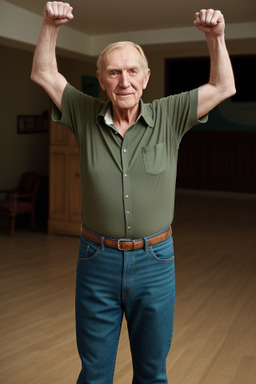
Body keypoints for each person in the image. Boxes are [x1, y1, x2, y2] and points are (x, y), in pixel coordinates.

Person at [31, 3, 236, 384]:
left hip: (155, 262)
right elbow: (44, 72)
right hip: (96, 261)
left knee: (151, 374)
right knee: (93, 375)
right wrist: (49, 24)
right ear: (101, 80)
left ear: (146, 77)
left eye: (131, 71)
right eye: (114, 73)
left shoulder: (170, 115)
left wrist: (215, 37)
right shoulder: (81, 111)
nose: (124, 81)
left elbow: (224, 86)